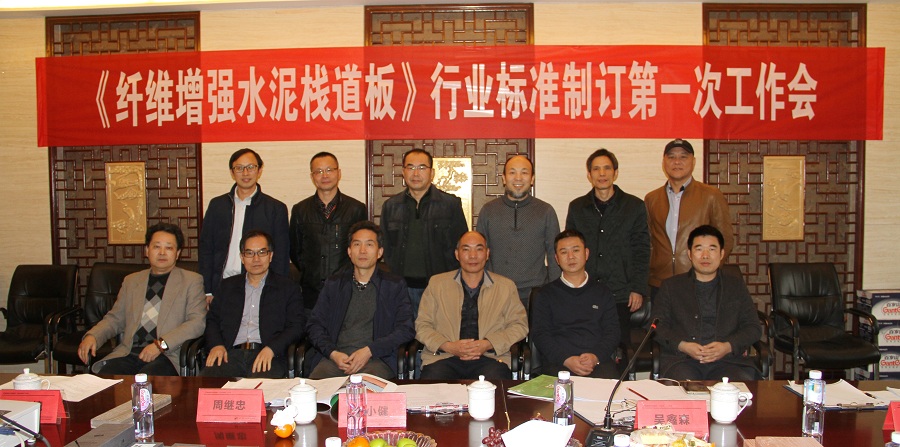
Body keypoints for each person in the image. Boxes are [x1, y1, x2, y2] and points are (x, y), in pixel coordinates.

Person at [78, 223, 206, 376]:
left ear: (177, 253)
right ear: (147, 250)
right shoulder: (131, 281)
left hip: (168, 355)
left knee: (148, 382)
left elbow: (197, 323)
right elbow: (115, 319)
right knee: (106, 381)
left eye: (169, 248)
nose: (162, 252)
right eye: (156, 247)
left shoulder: (191, 281)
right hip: (130, 353)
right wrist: (93, 336)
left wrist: (161, 345)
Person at [307, 221, 415, 379]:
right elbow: (314, 325)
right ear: (349, 251)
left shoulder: (393, 286)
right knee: (316, 390)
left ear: (379, 252)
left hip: (376, 359)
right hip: (336, 360)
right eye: (357, 244)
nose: (362, 250)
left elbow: (406, 329)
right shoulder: (334, 284)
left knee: (367, 390)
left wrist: (370, 350)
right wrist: (333, 353)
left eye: (369, 244)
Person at [652, 225, 761, 381]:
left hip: (728, 362)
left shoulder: (735, 286)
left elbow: (753, 327)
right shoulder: (671, 286)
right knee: (684, 390)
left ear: (721, 254)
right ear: (689, 254)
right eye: (699, 249)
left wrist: (727, 346)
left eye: (711, 249)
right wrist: (683, 345)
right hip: (682, 361)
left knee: (735, 391)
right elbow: (656, 326)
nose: (705, 255)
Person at [566, 148, 650, 348]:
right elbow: (570, 249)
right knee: (585, 344)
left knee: (621, 347)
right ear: (589, 175)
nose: (602, 174)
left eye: (607, 168)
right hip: (586, 290)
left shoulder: (634, 206)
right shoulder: (577, 207)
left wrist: (638, 288)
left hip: (621, 292)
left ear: (616, 172)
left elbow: (642, 249)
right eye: (596, 169)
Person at [415, 231, 528, 380]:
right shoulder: (437, 284)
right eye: (466, 249)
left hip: (491, 358)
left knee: (494, 385)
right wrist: (449, 346)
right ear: (457, 254)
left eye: (479, 249)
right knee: (432, 385)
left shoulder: (506, 286)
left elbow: (519, 326)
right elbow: (422, 325)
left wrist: (488, 344)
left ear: (487, 254)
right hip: (444, 357)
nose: (473, 256)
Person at [201, 230, 305, 378]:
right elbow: (212, 320)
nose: (256, 259)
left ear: (270, 255)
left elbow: (296, 326)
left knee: (260, 388)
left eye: (262, 252)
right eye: (249, 253)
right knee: (206, 385)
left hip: (267, 355)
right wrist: (216, 345)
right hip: (229, 354)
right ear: (242, 257)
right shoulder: (227, 286)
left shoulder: (288, 288)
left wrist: (272, 349)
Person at [381, 148, 468, 316]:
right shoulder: (391, 206)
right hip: (401, 289)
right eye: (410, 167)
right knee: (405, 331)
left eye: (422, 167)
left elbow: (461, 248)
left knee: (438, 332)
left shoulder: (450, 205)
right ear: (403, 172)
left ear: (432, 173)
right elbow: (386, 249)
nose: (416, 173)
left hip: (439, 288)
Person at [199, 148, 290, 305]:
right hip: (221, 286)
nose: (245, 173)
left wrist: (276, 291)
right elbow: (206, 249)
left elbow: (281, 255)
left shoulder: (275, 209)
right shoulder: (217, 206)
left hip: (260, 286)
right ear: (232, 172)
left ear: (259, 170)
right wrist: (207, 289)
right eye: (239, 168)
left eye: (251, 167)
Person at [645, 139, 734, 296]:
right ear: (664, 162)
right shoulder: (652, 198)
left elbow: (725, 239)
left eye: (683, 157)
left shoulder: (711, 196)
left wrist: (708, 271)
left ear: (693, 161)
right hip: (660, 282)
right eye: (671, 157)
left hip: (699, 280)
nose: (677, 161)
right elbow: (648, 240)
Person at [532, 229, 620, 378]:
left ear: (586, 253)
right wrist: (566, 359)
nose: (570, 257)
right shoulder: (545, 294)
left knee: (610, 387)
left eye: (576, 250)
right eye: (564, 252)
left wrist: (595, 357)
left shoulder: (603, 292)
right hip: (559, 363)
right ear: (556, 258)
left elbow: (613, 333)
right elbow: (541, 335)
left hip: (597, 362)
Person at [477, 155, 560, 308]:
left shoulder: (545, 211)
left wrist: (555, 292)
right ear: (503, 178)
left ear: (532, 179)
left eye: (524, 172)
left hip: (536, 294)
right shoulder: (488, 211)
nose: (518, 178)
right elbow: (480, 254)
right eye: (512, 172)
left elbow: (554, 255)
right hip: (496, 292)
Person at [290, 152, 366, 311]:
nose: (324, 175)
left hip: (346, 288)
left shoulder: (356, 209)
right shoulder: (300, 210)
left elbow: (361, 249)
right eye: (318, 171)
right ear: (312, 176)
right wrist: (310, 272)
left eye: (329, 170)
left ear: (339, 173)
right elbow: (295, 250)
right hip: (311, 292)